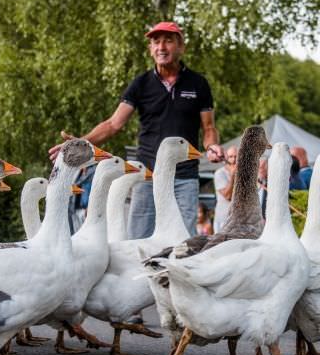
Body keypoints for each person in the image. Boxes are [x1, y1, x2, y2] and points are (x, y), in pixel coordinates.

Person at [49, 21, 223, 237]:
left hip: (185, 178)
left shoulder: (198, 84)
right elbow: (114, 123)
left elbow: (208, 127)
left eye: (168, 41)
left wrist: (212, 145)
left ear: (181, 47)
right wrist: (83, 143)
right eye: (156, 41)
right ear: (150, 49)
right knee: (137, 240)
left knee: (183, 245)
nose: (161, 47)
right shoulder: (141, 84)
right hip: (147, 177)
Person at [213, 145, 238, 233]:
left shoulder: (244, 174)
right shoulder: (220, 173)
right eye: (231, 156)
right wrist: (232, 176)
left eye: (236, 156)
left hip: (239, 220)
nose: (234, 160)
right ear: (226, 158)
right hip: (223, 219)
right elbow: (227, 196)